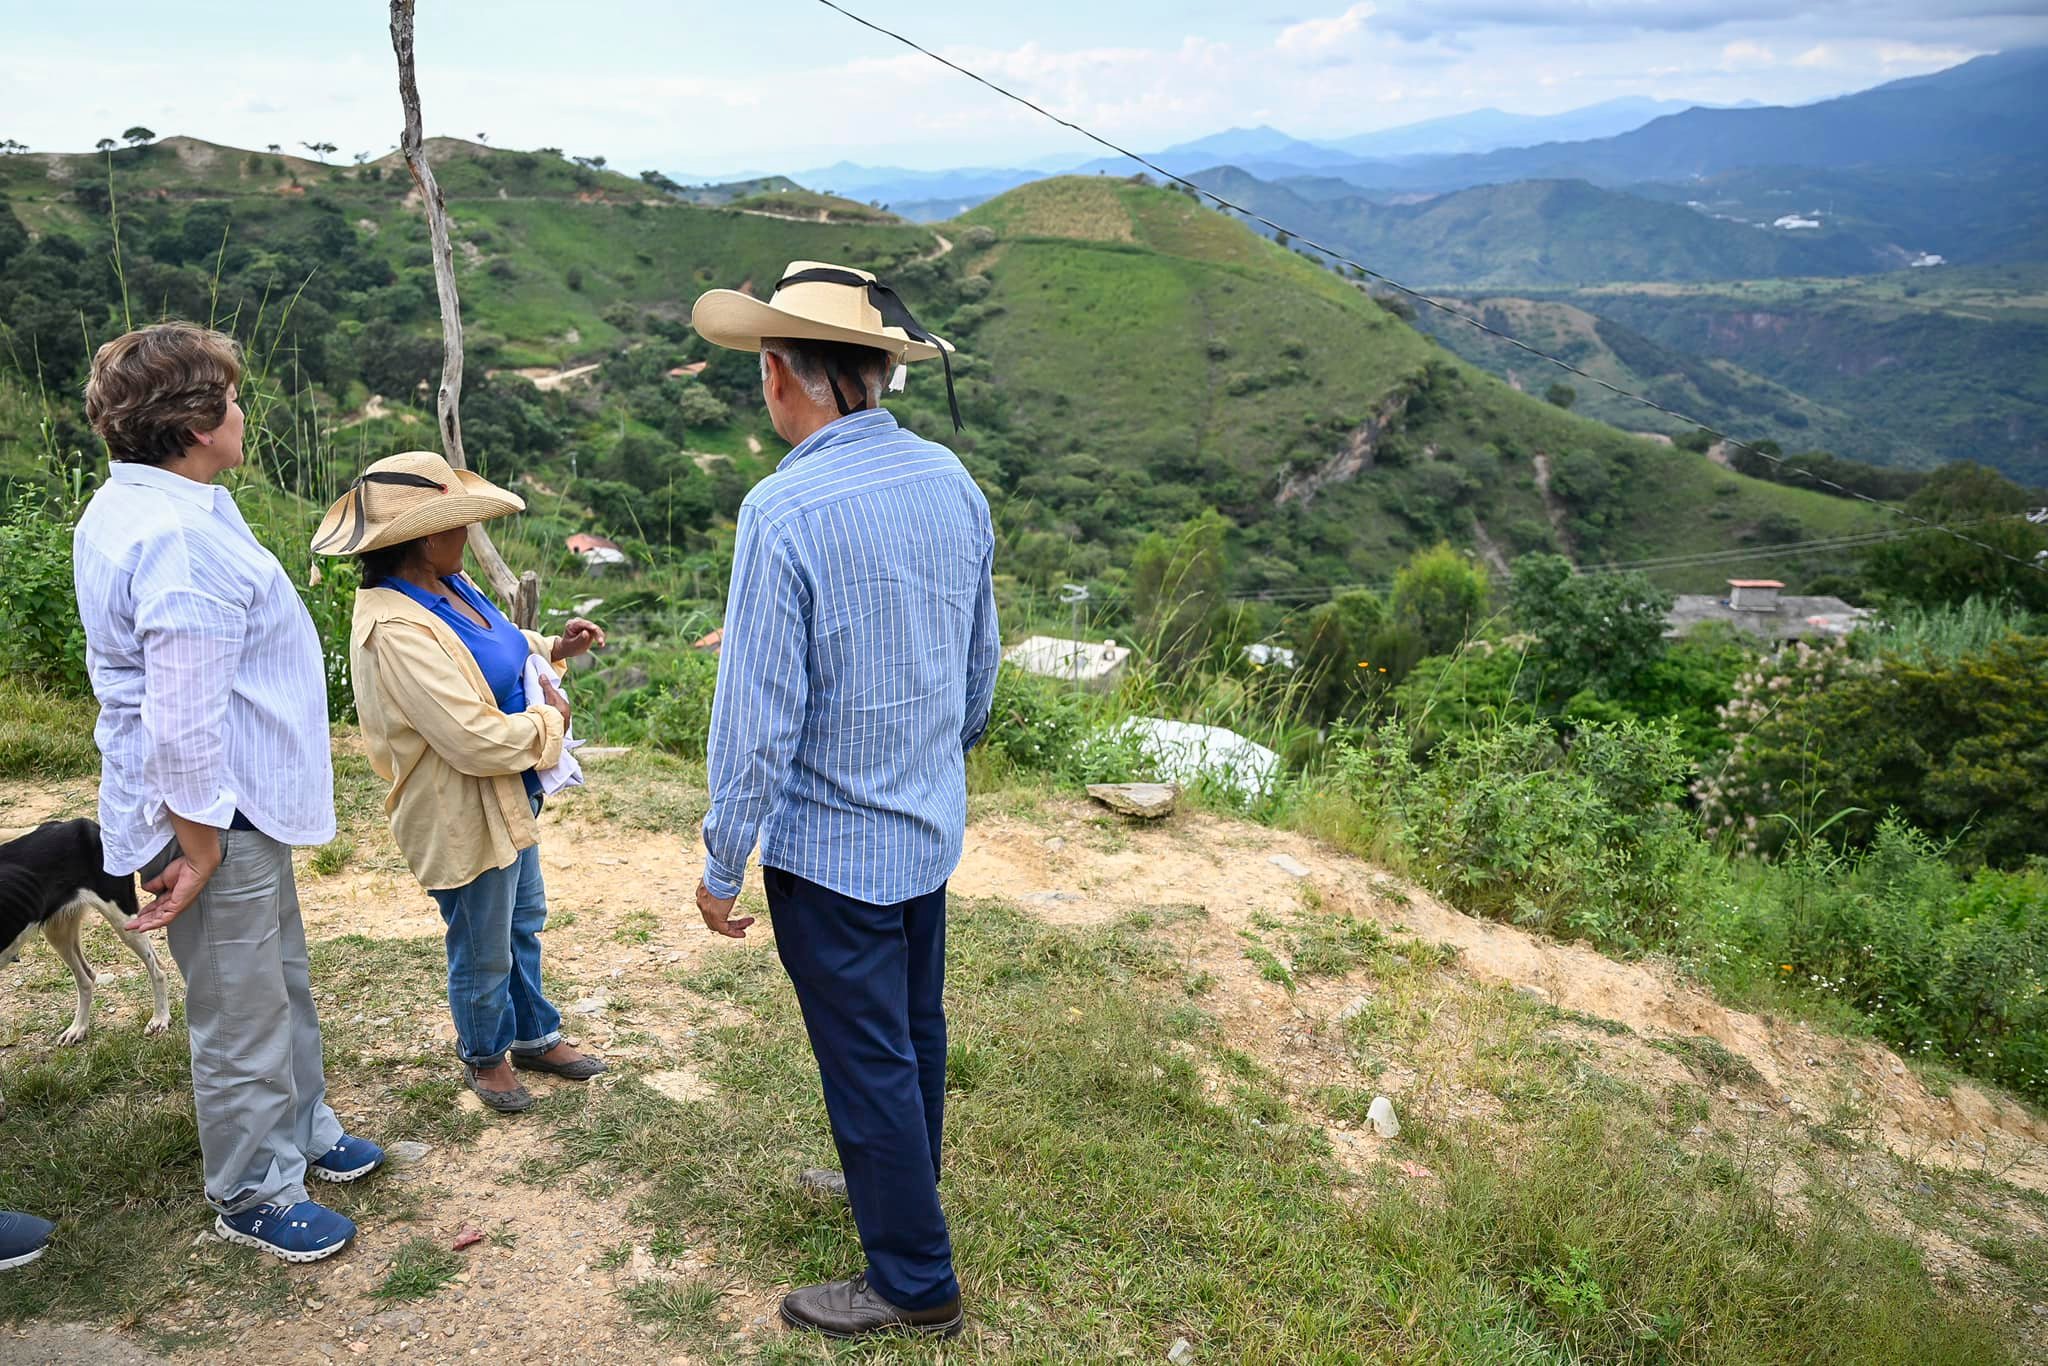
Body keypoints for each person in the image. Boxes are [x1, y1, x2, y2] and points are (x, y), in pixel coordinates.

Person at [688, 261, 999, 1339]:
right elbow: (977, 669)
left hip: (831, 849)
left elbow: (756, 719)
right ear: (874, 370)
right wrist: (929, 759)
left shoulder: (782, 511)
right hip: (922, 826)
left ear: (783, 375)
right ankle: (896, 1182)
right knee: (910, 1030)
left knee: (866, 1051)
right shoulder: (951, 481)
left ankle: (915, 1283)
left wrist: (723, 859)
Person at [74, 322, 379, 1264]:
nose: (243, 414)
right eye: (233, 400)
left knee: (277, 977)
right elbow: (182, 714)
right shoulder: (178, 536)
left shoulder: (159, 504)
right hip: (211, 805)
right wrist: (196, 843)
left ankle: (307, 1126)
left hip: (234, 794)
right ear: (201, 420)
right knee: (240, 1007)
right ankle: (253, 1187)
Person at [319, 452, 608, 1114]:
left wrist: (552, 649)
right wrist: (549, 725)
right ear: (423, 536)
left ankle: (534, 1033)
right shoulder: (394, 625)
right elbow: (471, 739)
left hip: (509, 791)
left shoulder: (449, 584)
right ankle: (485, 1053)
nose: (471, 535)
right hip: (460, 804)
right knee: (482, 937)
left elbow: (493, 643)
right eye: (461, 524)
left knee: (521, 921)